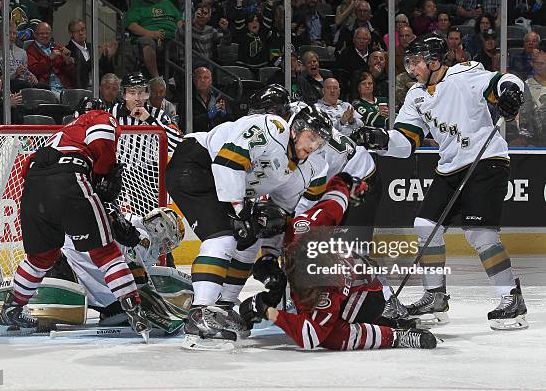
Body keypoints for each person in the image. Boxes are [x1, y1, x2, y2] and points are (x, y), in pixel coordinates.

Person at [350, 33, 528, 330]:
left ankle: (511, 298)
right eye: (409, 62)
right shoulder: (415, 96)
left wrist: (511, 92)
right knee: (425, 226)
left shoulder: (465, 74)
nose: (412, 68)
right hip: (450, 167)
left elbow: (505, 81)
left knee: (480, 234)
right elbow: (406, 142)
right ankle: (435, 297)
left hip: (487, 161)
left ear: (434, 61)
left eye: (417, 61)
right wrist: (379, 138)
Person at [165, 85, 333, 350]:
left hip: (224, 183)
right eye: (310, 137)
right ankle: (199, 314)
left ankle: (222, 307)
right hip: (196, 164)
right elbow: (227, 162)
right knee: (221, 238)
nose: (312, 146)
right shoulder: (272, 127)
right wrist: (240, 211)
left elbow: (278, 219)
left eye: (319, 143)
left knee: (251, 237)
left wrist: (268, 257)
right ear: (296, 129)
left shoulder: (303, 171)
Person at [0, 109, 151, 340]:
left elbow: (27, 170)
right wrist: (102, 172)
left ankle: (11, 312)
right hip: (69, 179)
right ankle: (135, 312)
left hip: (32, 189)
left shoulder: (62, 133)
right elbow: (103, 142)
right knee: (106, 253)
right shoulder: (99, 117)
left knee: (41, 258)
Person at [239, 174, 438, 351]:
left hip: (364, 295)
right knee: (305, 313)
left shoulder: (323, 279)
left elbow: (310, 337)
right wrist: (347, 184)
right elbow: (335, 200)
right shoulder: (305, 224)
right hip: (348, 278)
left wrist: (268, 311)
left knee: (329, 336)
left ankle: (395, 336)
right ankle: (387, 322)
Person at [59, 206, 187, 332]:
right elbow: (138, 280)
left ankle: (109, 311)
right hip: (71, 271)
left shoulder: (129, 225)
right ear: (159, 228)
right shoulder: (141, 239)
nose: (165, 248)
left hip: (67, 262)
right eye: (167, 242)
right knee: (129, 303)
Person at [109, 72, 182, 155]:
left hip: (149, 166)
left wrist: (149, 119)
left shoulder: (159, 115)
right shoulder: (111, 113)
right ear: (124, 95)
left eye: (141, 92)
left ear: (147, 94)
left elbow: (177, 144)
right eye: (132, 93)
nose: (137, 98)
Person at [124, 0, 183, 78]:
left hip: (172, 37)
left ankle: (176, 77)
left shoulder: (167, 3)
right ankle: (156, 78)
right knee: (147, 41)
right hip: (148, 36)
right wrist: (150, 33)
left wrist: (180, 31)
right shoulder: (137, 5)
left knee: (185, 40)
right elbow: (131, 25)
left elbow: (179, 20)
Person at [65, 19, 116, 90]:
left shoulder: (92, 47)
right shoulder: (67, 51)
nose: (81, 33)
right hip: (79, 90)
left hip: (98, 89)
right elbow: (80, 71)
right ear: (71, 34)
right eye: (77, 31)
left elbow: (107, 73)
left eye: (83, 29)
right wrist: (96, 56)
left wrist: (107, 57)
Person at [27, 22, 75, 94]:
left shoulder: (58, 47)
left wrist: (67, 61)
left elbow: (70, 74)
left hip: (64, 87)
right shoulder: (30, 50)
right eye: (41, 33)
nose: (45, 36)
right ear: (35, 35)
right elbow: (34, 71)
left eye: (47, 33)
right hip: (46, 88)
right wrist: (49, 59)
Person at [0, 21, 39, 92]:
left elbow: (25, 72)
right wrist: (15, 74)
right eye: (9, 33)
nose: (12, 36)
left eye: (14, 33)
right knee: (24, 86)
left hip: (22, 83)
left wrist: (31, 77)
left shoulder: (22, 52)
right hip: (6, 85)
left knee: (44, 87)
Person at [188, 66, 233, 132]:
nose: (202, 80)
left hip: (217, 135)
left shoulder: (219, 96)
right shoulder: (188, 97)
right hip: (197, 136)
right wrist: (208, 115)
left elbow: (231, 122)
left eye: (206, 78)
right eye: (199, 77)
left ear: (211, 81)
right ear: (194, 80)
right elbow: (186, 123)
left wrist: (224, 114)